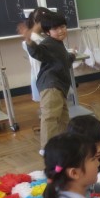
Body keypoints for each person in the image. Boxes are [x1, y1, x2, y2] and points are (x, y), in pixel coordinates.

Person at [23, 11, 76, 156]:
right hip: (51, 86)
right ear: (47, 32)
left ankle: (63, 144)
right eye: (56, 28)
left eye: (63, 27)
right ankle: (46, 148)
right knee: (50, 116)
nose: (61, 31)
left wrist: (72, 55)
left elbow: (65, 61)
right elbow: (37, 52)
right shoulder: (49, 43)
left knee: (63, 117)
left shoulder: (58, 44)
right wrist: (29, 41)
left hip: (59, 86)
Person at [18, 7, 51, 103]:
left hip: (44, 79)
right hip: (46, 81)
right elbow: (40, 62)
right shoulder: (34, 39)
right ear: (38, 22)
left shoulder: (37, 37)